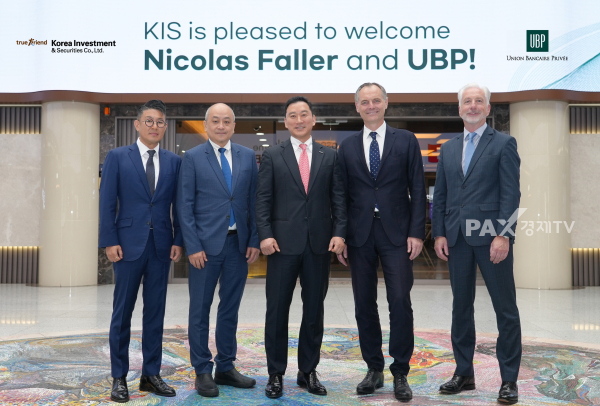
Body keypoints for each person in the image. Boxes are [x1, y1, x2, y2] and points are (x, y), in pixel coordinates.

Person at [432, 83, 521, 405]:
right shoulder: (448, 148)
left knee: (505, 308)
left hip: (491, 238)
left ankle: (508, 380)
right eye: (467, 101)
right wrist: (439, 233)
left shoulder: (504, 143)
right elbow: (441, 194)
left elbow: (511, 193)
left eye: (478, 101)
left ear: (487, 108)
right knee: (460, 307)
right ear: (459, 108)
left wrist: (503, 235)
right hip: (456, 238)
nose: (472, 106)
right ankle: (464, 373)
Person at [336, 82, 426, 402]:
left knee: (399, 300)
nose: (371, 106)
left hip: (397, 235)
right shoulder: (346, 146)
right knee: (364, 303)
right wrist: (341, 235)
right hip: (359, 235)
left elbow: (418, 188)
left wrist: (417, 232)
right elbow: (340, 195)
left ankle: (400, 371)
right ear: (357, 107)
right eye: (365, 102)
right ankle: (373, 368)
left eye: (376, 100)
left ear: (386, 103)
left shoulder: (406, 140)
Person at [256, 96, 347, 399]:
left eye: (304, 114)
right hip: (280, 246)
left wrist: (340, 233)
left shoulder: (329, 155)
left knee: (314, 311)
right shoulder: (273, 155)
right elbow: (262, 199)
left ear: (313, 119)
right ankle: (275, 373)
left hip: (319, 245)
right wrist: (265, 234)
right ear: (285, 121)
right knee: (277, 311)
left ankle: (308, 370)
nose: (299, 120)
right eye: (292, 115)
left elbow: (338, 199)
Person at [99, 99, 183, 403]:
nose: (154, 126)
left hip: (161, 246)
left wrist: (178, 240)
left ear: (165, 127)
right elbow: (107, 202)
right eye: (149, 121)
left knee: (155, 313)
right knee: (122, 312)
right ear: (137, 124)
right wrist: (109, 241)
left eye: (159, 122)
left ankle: (151, 374)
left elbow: (179, 205)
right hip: (126, 245)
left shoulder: (174, 162)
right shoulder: (118, 157)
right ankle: (119, 377)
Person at [177, 103, 260, 398]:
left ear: (234, 126)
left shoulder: (247, 156)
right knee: (200, 309)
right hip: (204, 248)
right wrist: (193, 246)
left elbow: (253, 201)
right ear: (206, 125)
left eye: (227, 121)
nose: (221, 126)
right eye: (216, 121)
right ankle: (202, 369)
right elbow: (184, 205)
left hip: (238, 245)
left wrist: (254, 239)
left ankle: (225, 366)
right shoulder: (192, 157)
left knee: (230, 308)